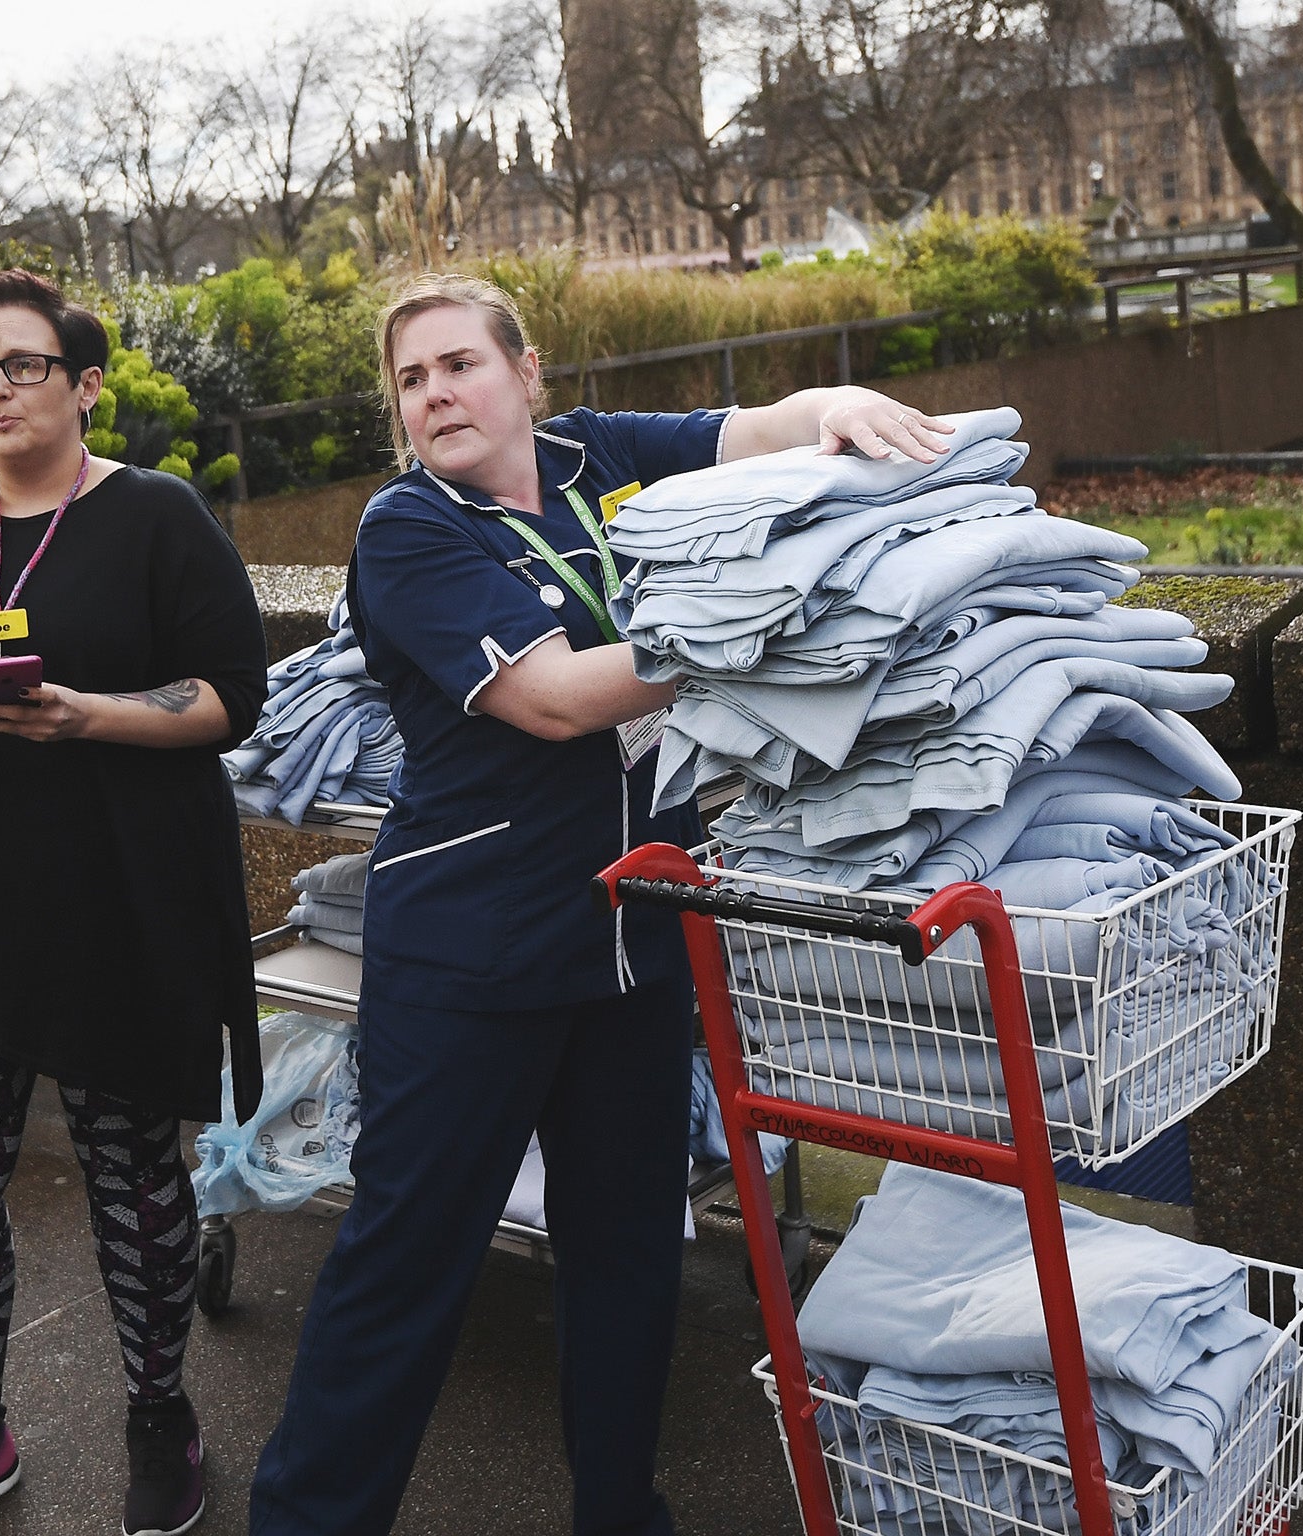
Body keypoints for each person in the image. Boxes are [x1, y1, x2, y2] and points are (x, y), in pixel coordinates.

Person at [247, 272, 952, 1536]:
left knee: (628, 1250)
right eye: (411, 380)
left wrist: (836, 404)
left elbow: (751, 435)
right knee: (408, 1263)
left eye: (459, 364)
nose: (435, 395)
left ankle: (620, 1511)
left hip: (636, 937)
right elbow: (558, 698)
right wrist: (767, 638)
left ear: (526, 375)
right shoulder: (406, 530)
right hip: (475, 955)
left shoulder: (595, 458)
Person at [0, 268, 268, 1536]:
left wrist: (88, 713)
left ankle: (159, 1417)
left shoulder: (155, 517)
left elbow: (227, 698)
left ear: (83, 385)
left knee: (136, 1189)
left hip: (122, 919)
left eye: (19, 365)